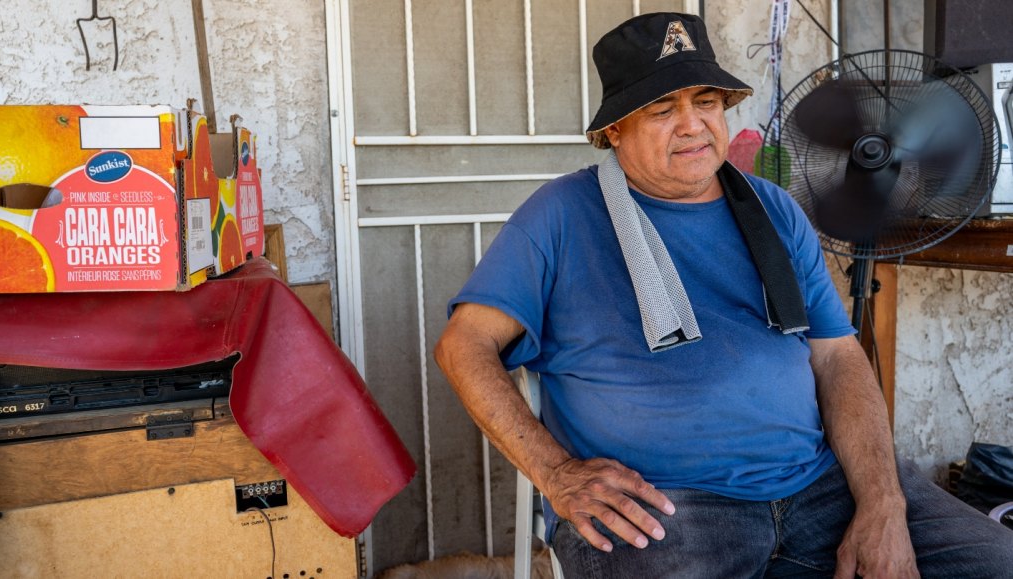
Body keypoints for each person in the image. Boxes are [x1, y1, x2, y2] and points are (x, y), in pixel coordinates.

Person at [434, 12, 1013, 578]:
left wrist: (882, 503)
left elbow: (836, 355)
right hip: (666, 507)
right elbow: (464, 345)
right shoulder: (561, 214)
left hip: (818, 484)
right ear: (614, 131)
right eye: (663, 109)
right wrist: (557, 473)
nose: (692, 125)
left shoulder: (774, 210)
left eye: (705, 103)